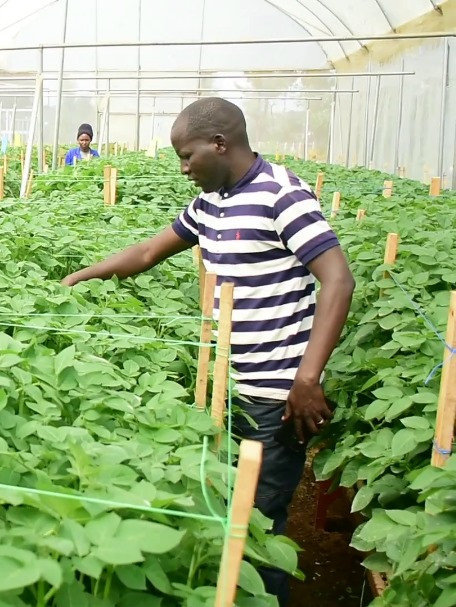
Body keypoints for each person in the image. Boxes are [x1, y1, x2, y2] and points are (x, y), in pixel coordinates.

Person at [61, 97, 355, 606]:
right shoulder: (212, 202)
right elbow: (150, 251)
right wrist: (82, 277)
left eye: (187, 156)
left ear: (220, 145)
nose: (182, 168)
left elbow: (338, 281)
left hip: (276, 395)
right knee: (229, 512)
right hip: (229, 386)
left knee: (256, 532)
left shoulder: (282, 196)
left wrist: (307, 379)